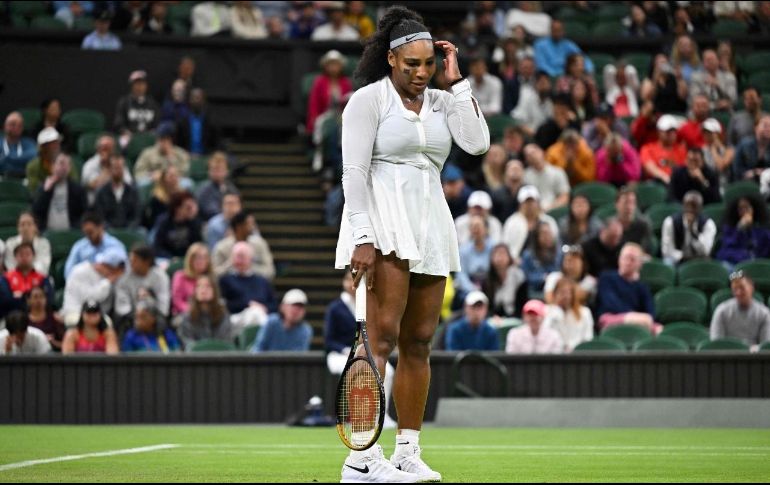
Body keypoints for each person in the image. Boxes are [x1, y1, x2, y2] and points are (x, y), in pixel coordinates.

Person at [334, 6, 489, 482]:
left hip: (430, 222)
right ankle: (361, 458)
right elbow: (354, 174)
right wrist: (363, 236)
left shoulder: (443, 101)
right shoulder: (367, 101)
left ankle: (407, 450)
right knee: (379, 339)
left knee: (419, 341)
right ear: (391, 60)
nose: (421, 74)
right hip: (382, 221)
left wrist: (457, 81)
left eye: (428, 64)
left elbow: (478, 142)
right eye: (411, 65)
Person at [324, 271, 397, 429]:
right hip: (339, 354)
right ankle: (359, 416)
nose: (353, 284)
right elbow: (329, 340)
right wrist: (345, 350)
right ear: (344, 282)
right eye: (350, 280)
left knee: (389, 371)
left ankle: (380, 414)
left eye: (356, 280)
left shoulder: (368, 306)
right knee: (358, 370)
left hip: (365, 352)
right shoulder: (335, 308)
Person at [595, 243, 657, 332]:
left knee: (659, 329)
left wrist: (636, 318)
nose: (628, 262)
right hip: (610, 319)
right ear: (619, 259)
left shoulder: (642, 286)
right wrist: (633, 316)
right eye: (625, 258)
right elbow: (611, 304)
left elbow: (651, 312)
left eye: (632, 259)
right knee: (645, 320)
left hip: (638, 321)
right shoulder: (607, 278)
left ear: (639, 264)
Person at [61, 246, 126, 326]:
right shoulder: (80, 271)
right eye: (113, 271)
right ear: (104, 265)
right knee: (105, 323)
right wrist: (108, 281)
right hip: (75, 311)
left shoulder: (103, 277)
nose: (114, 275)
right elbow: (90, 300)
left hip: (96, 313)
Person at [219, 241, 277, 330]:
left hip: (260, 316)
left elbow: (274, 305)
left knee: (265, 317)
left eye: (242, 257)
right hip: (234, 320)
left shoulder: (262, 281)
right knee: (255, 313)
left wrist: (264, 308)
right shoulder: (225, 280)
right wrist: (248, 305)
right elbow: (224, 305)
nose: (239, 261)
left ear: (250, 258)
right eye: (237, 257)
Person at [710, 270, 770, 349]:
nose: (738, 292)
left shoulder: (764, 313)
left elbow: (766, 346)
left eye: (742, 288)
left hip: (754, 358)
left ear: (751, 288)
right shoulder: (722, 310)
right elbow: (716, 343)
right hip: (726, 357)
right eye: (735, 289)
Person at [114, 244, 170, 328]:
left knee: (162, 323)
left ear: (146, 262)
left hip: (154, 317)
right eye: (130, 260)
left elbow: (163, 305)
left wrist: (151, 318)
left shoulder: (160, 276)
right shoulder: (124, 278)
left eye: (135, 260)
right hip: (131, 318)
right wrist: (139, 318)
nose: (131, 264)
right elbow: (122, 308)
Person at [31, 153, 88, 232]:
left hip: (71, 232)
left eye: (67, 164)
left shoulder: (77, 189)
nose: (64, 167)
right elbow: (36, 210)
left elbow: (84, 213)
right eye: (61, 163)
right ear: (53, 166)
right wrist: (46, 191)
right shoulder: (43, 187)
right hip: (47, 233)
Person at [501, 185, 559, 260]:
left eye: (532, 201)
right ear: (520, 204)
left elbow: (556, 243)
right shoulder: (512, 222)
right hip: (518, 262)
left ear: (538, 203)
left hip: (546, 261)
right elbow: (506, 246)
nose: (529, 205)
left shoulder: (549, 221)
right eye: (526, 202)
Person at [211, 211, 274, 280]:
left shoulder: (260, 244)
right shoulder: (221, 247)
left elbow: (270, 271)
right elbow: (214, 274)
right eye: (249, 224)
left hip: (255, 286)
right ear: (239, 226)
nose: (253, 227)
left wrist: (248, 267)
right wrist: (231, 263)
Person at [661, 191, 717, 266]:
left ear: (700, 208)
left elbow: (705, 251)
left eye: (694, 206)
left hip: (699, 259)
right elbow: (667, 251)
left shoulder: (708, 224)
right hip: (677, 259)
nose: (690, 209)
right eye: (688, 206)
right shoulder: (670, 222)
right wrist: (683, 256)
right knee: (667, 262)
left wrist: (694, 232)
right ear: (683, 206)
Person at [63, 211, 126, 279]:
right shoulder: (79, 246)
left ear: (100, 227)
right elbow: (68, 273)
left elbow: (123, 271)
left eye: (91, 232)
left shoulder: (115, 245)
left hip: (109, 284)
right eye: (86, 233)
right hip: (84, 284)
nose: (88, 237)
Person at [716, 193, 770, 268]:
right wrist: (740, 228)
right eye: (741, 209)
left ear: (754, 209)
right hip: (735, 264)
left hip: (757, 265)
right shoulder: (729, 229)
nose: (744, 211)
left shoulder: (762, 230)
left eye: (747, 207)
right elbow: (725, 250)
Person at [306, 49, 353, 135]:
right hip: (323, 116)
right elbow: (314, 103)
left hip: (341, 117)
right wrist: (314, 119)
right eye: (331, 64)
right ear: (325, 66)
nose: (333, 67)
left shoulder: (346, 83)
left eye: (336, 64)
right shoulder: (319, 82)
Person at [180, 274, 232, 349]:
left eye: (208, 286)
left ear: (214, 291)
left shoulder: (223, 315)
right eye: (199, 286)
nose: (203, 290)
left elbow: (223, 343)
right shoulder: (188, 317)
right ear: (195, 291)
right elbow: (188, 344)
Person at [0, 242, 54, 315]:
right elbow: (5, 300)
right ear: (15, 257)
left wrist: (19, 296)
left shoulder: (42, 278)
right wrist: (32, 299)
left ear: (34, 256)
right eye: (21, 255)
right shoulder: (6, 278)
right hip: (12, 315)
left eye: (28, 254)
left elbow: (48, 300)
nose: (24, 257)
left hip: (37, 315)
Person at [133, 123, 191, 188]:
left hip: (174, 181)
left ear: (171, 140)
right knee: (141, 183)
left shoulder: (180, 153)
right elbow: (138, 172)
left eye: (164, 139)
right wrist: (151, 176)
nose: (161, 142)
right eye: (159, 139)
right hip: (153, 181)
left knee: (187, 183)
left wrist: (171, 159)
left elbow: (186, 171)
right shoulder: (148, 153)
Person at [543, 277, 594, 352]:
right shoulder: (547, 311)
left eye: (568, 293)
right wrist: (555, 311)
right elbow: (544, 334)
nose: (565, 296)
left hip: (578, 354)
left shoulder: (585, 312)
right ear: (555, 294)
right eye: (561, 292)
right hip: (554, 354)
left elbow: (588, 337)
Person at [113, 70, 160, 148]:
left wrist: (150, 134)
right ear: (131, 86)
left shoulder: (153, 104)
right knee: (122, 142)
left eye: (142, 84)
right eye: (137, 84)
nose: (140, 87)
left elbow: (157, 125)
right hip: (129, 136)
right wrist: (127, 132)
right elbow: (118, 124)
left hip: (148, 138)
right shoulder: (124, 102)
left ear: (146, 86)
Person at [81, 134, 133, 205]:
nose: (105, 151)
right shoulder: (89, 165)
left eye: (108, 148)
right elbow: (95, 186)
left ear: (113, 149)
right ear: (98, 149)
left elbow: (128, 182)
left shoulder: (118, 164)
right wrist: (107, 167)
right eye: (103, 148)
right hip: (96, 204)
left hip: (119, 203)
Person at [94, 154, 141, 230]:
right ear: (109, 170)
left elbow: (136, 216)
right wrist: (111, 230)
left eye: (120, 168)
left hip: (129, 230)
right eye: (115, 168)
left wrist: (128, 230)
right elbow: (100, 217)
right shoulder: (101, 192)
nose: (118, 171)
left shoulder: (132, 191)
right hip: (108, 232)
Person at [152, 190, 203, 260]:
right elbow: (157, 247)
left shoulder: (194, 222)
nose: (192, 210)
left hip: (188, 260)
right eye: (188, 208)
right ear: (178, 209)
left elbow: (198, 245)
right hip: (168, 259)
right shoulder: (164, 222)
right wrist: (171, 258)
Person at [26, 127, 78, 194]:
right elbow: (33, 189)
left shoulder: (66, 163)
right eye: (52, 144)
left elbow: (75, 183)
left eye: (57, 143)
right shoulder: (32, 166)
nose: (56, 146)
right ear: (43, 147)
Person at [640, 114, 688, 185]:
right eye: (667, 132)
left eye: (673, 131)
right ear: (659, 131)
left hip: (676, 183)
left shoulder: (681, 150)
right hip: (656, 184)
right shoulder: (648, 148)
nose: (671, 134)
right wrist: (665, 177)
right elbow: (650, 168)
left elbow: (685, 169)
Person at [520, 221, 562, 300]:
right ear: (537, 236)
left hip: (557, 291)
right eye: (544, 234)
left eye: (549, 233)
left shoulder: (559, 252)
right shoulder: (528, 255)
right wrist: (542, 278)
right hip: (536, 292)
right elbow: (525, 276)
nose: (548, 237)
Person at [522, 143, 570, 212]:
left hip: (555, 210)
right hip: (534, 213)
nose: (532, 156)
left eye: (533, 152)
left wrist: (550, 208)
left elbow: (565, 197)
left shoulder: (558, 172)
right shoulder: (525, 176)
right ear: (526, 159)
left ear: (542, 152)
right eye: (528, 155)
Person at [456, 214, 495, 294]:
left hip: (491, 286)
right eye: (472, 227)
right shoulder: (463, 250)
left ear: (486, 229)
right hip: (470, 288)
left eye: (478, 226)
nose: (475, 229)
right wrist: (472, 289)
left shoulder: (494, 247)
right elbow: (461, 274)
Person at [4, 212, 51, 276]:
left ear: (35, 227)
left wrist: (28, 276)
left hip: (37, 279)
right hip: (15, 280)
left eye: (29, 224)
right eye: (22, 224)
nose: (25, 228)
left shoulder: (43, 243)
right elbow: (10, 266)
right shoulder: (10, 243)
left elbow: (43, 266)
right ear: (18, 228)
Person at [171, 243, 212, 318]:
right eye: (197, 258)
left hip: (207, 315)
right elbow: (177, 301)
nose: (201, 261)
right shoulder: (180, 276)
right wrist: (193, 311)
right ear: (190, 260)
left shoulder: (211, 278)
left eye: (204, 258)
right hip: (184, 315)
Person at [196, 152, 238, 222]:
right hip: (209, 224)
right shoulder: (203, 189)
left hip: (230, 221)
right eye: (214, 169)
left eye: (220, 169)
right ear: (209, 171)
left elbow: (238, 209)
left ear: (226, 171)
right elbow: (210, 212)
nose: (217, 172)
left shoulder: (231, 189)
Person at [25, 285, 65, 352]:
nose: (39, 300)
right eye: (35, 297)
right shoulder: (24, 320)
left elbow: (64, 345)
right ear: (28, 300)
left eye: (41, 296)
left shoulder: (55, 319)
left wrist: (52, 342)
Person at [615, 186, 654, 254]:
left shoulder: (643, 225)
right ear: (617, 204)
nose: (629, 207)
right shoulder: (612, 225)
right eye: (626, 202)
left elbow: (646, 250)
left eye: (632, 203)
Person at [732, 115, 770, 183]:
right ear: (756, 128)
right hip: (745, 183)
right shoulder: (744, 144)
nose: (768, 128)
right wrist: (754, 172)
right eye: (765, 125)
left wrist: (763, 172)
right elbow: (736, 169)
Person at [0, 111, 37, 178]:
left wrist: (6, 158)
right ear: (5, 126)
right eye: (13, 124)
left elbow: (33, 156)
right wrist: (20, 162)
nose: (16, 127)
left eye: (19, 125)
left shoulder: (29, 143)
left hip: (23, 179)